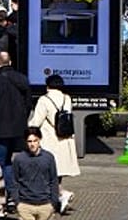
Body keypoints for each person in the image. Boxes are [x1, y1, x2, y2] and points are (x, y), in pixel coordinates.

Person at [27, 73, 80, 208]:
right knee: (58, 171)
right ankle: (57, 198)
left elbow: (36, 121)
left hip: (50, 140)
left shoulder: (44, 100)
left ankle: (61, 194)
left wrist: (27, 130)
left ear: (48, 86)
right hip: (64, 139)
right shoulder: (66, 98)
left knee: (46, 170)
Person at [0, 50, 31, 209]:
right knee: (10, 161)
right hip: (18, 129)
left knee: (1, 163)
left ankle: (6, 196)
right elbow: (28, 104)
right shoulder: (22, 79)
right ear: (10, 62)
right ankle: (14, 195)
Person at [11, 127, 62, 220]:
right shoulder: (19, 159)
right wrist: (17, 202)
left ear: (40, 140)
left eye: (35, 141)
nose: (32, 144)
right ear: (26, 142)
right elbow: (14, 181)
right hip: (25, 205)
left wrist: (53, 202)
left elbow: (54, 180)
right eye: (29, 141)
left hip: (45, 205)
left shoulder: (48, 157)